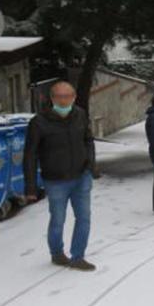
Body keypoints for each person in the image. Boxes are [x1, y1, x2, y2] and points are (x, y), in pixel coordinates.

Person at [23, 80, 98, 271]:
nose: (63, 101)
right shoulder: (39, 122)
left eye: (67, 96)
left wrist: (90, 164)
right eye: (59, 96)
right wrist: (31, 187)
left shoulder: (80, 115)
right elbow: (29, 155)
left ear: (73, 97)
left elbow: (88, 140)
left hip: (81, 177)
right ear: (52, 98)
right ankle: (57, 253)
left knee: (84, 218)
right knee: (58, 219)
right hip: (55, 181)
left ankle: (78, 257)